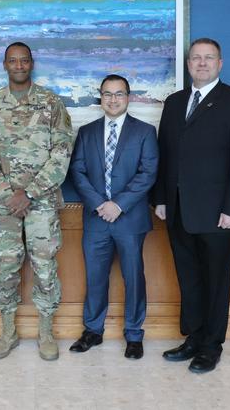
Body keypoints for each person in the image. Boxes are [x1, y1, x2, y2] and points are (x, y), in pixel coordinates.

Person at [153, 38, 230, 373]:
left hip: (219, 214)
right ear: (188, 64)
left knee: (215, 280)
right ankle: (194, 338)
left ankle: (211, 347)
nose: (201, 63)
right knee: (190, 279)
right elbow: (164, 155)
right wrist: (160, 199)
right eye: (195, 58)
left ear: (220, 63)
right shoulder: (174, 102)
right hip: (179, 211)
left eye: (208, 58)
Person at [0, 42, 73, 361]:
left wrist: (28, 193)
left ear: (32, 63)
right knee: (5, 265)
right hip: (3, 206)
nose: (19, 65)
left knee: (45, 266)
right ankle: (7, 331)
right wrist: (8, 193)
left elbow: (62, 152)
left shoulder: (51, 103)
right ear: (5, 65)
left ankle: (46, 332)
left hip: (41, 202)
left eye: (24, 60)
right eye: (13, 61)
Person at [69, 74, 158, 359]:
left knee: (134, 277)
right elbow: (78, 172)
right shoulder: (86, 132)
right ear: (101, 98)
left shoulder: (144, 132)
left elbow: (148, 173)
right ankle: (92, 331)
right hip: (96, 219)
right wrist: (99, 204)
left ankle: (134, 334)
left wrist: (118, 205)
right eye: (107, 94)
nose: (113, 99)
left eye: (119, 94)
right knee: (95, 277)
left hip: (130, 218)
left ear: (128, 97)